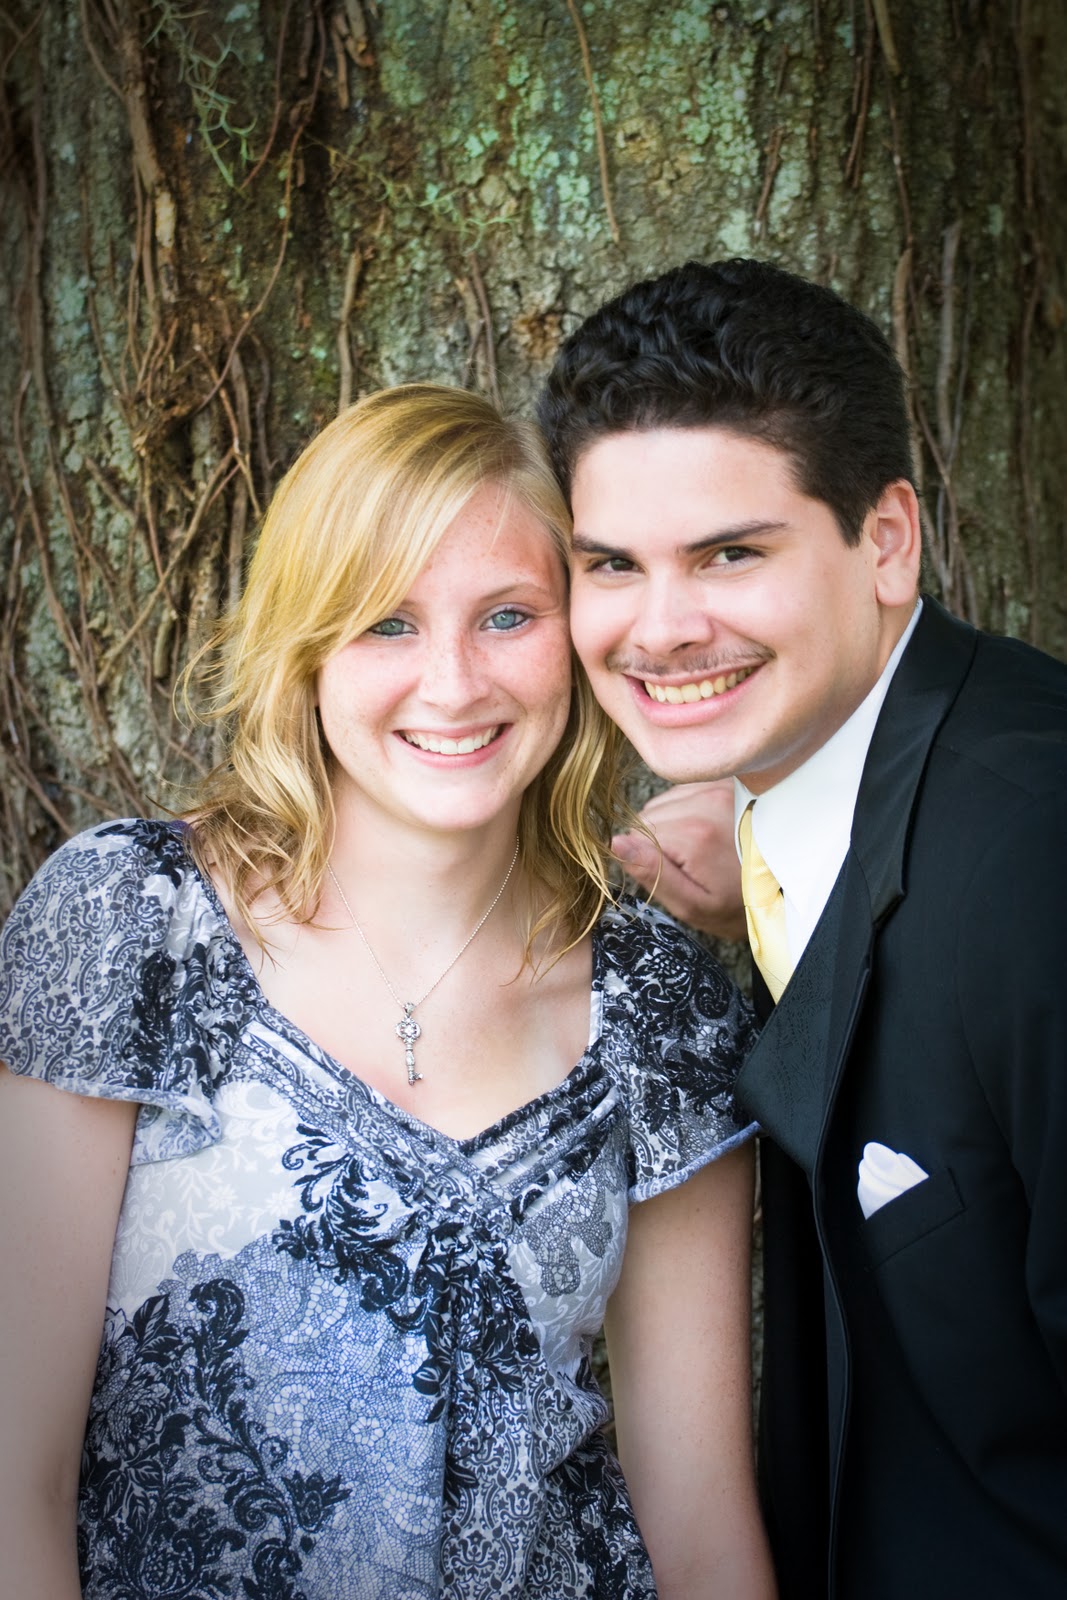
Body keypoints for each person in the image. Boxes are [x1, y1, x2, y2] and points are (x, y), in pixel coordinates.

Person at [0, 383, 776, 1600]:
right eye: (386, 625)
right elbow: (16, 1478)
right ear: (306, 646)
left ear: (575, 636)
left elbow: (700, 1521)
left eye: (507, 616)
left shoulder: (655, 1001)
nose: (453, 684)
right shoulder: (132, 919)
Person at [537, 258, 1067, 1599]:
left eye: (730, 553)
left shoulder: (1032, 859)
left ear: (884, 540)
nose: (662, 629)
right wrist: (773, 862)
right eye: (612, 566)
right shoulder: (805, 804)